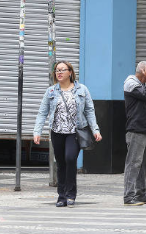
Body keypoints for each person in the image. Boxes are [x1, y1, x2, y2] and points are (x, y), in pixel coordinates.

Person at [34, 61, 102, 207]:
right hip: (57, 132)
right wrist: (37, 131)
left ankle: (71, 194)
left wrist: (95, 130)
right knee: (61, 164)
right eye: (57, 70)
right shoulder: (51, 91)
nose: (59, 73)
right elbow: (42, 112)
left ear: (70, 72)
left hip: (74, 132)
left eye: (62, 70)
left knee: (70, 158)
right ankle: (62, 196)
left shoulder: (82, 90)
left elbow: (89, 111)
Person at [123, 61, 146, 206]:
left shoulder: (140, 84)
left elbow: (143, 99)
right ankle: (128, 196)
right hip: (136, 129)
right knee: (133, 163)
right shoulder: (131, 82)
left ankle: (141, 193)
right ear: (143, 71)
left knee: (144, 163)